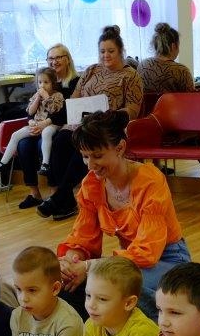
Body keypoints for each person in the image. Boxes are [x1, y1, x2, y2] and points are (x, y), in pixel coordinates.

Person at [56, 110, 190, 318]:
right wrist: (71, 262)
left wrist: (89, 267)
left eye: (97, 156)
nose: (90, 165)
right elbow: (83, 238)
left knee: (117, 286)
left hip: (168, 260)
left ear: (120, 148)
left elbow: (147, 252)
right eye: (85, 156)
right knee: (67, 283)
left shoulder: (150, 180)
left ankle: (162, 333)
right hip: (128, 262)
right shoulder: (92, 184)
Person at [31, 26, 145, 222]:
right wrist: (76, 109)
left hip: (109, 125)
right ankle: (65, 198)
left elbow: (133, 109)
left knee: (87, 144)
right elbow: (75, 97)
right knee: (61, 140)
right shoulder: (91, 70)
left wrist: (110, 114)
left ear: (120, 51)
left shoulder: (130, 76)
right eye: (102, 51)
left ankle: (61, 197)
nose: (106, 55)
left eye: (111, 51)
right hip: (81, 121)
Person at [11, 44, 81, 211]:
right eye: (50, 58)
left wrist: (46, 123)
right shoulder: (44, 80)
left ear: (67, 59)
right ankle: (34, 193)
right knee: (23, 144)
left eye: (58, 57)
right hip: (40, 125)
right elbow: (33, 107)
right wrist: (31, 121)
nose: (54, 61)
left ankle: (54, 191)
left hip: (62, 127)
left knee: (46, 144)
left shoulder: (75, 82)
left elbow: (68, 112)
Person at [0, 68, 65, 173]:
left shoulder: (57, 95)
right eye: (40, 82)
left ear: (53, 83)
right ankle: (3, 162)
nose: (42, 86)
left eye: (46, 82)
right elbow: (30, 112)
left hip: (52, 125)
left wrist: (46, 97)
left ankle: (45, 164)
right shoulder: (36, 96)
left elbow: (54, 110)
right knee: (16, 135)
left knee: (46, 132)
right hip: (36, 124)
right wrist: (37, 100)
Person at [136, 23, 195, 94]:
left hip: (147, 102)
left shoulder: (142, 65)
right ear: (173, 46)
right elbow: (190, 98)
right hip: (172, 102)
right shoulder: (182, 71)